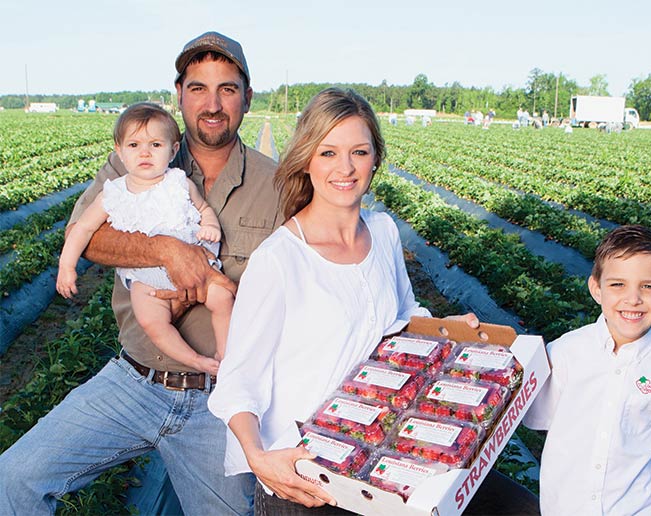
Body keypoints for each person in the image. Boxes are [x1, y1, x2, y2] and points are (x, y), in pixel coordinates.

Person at [0, 31, 282, 515]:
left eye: (227, 89)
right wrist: (166, 250)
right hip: (133, 380)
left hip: (220, 403)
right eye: (197, 88)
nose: (212, 104)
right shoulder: (136, 156)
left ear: (248, 97)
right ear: (179, 94)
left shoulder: (277, 183)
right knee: (16, 477)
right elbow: (84, 233)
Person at [207, 88, 483, 514]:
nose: (346, 167)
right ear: (306, 160)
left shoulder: (385, 232)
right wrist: (259, 460)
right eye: (328, 153)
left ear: (376, 158)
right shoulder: (279, 260)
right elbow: (239, 380)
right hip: (305, 474)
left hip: (378, 455)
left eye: (359, 151)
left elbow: (404, 321)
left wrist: (450, 334)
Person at [523, 225, 651, 516]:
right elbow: (546, 424)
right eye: (618, 284)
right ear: (596, 288)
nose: (633, 299)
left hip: (635, 508)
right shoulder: (565, 352)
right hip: (565, 505)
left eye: (649, 286)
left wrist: (625, 478)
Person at [56, 102, 230, 375]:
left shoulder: (179, 183)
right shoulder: (112, 194)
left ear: (173, 150)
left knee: (223, 299)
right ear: (119, 152)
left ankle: (225, 354)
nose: (145, 152)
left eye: (156, 145)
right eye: (134, 145)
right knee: (152, 322)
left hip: (196, 264)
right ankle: (195, 360)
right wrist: (67, 266)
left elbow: (203, 209)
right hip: (146, 277)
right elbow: (83, 229)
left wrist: (210, 226)